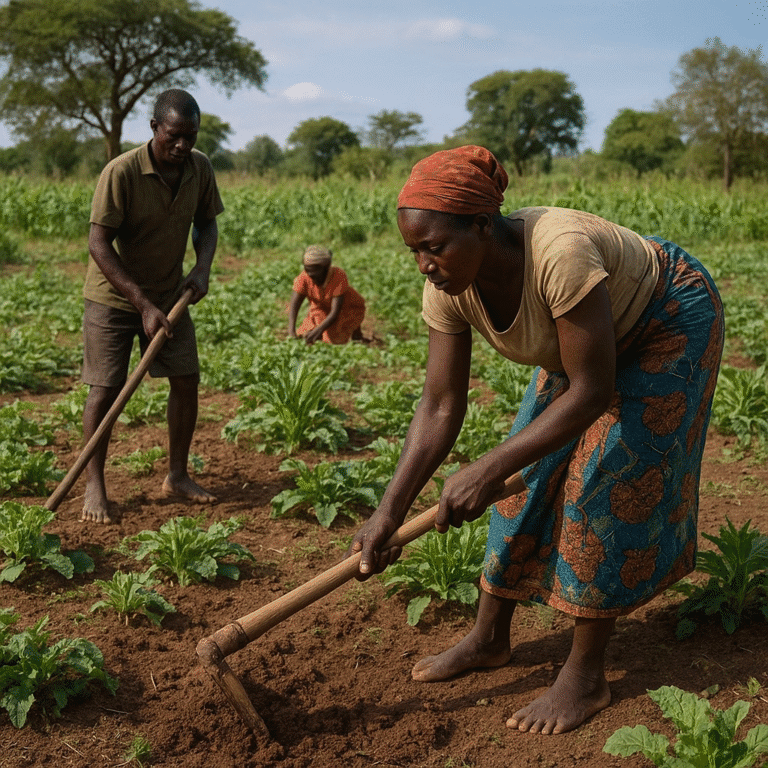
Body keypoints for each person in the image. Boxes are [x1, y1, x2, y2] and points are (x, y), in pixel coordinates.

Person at [348, 145, 723, 735]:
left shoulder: (559, 252)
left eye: (434, 246)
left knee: (604, 482)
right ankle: (489, 637)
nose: (424, 263)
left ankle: (585, 675)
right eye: (414, 250)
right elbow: (440, 404)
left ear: (481, 225)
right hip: (584, 342)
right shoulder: (446, 286)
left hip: (666, 318)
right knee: (518, 486)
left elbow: (593, 391)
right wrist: (387, 512)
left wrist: (486, 464)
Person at [80, 88, 224, 524]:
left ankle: (177, 475)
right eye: (174, 136)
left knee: (185, 378)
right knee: (105, 389)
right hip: (114, 296)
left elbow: (208, 223)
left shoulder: (199, 168)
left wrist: (201, 269)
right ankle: (94, 485)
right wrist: (140, 303)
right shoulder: (120, 172)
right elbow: (98, 244)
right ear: (155, 129)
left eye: (191, 136)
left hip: (169, 295)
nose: (182, 146)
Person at [288, 244, 366, 345]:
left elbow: (335, 312)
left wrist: (319, 330)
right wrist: (291, 331)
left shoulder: (338, 276)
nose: (312, 277)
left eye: (316, 274)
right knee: (305, 334)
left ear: (326, 268)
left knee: (332, 341)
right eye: (308, 271)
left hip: (346, 309)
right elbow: (295, 304)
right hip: (321, 309)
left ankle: (356, 331)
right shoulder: (304, 278)